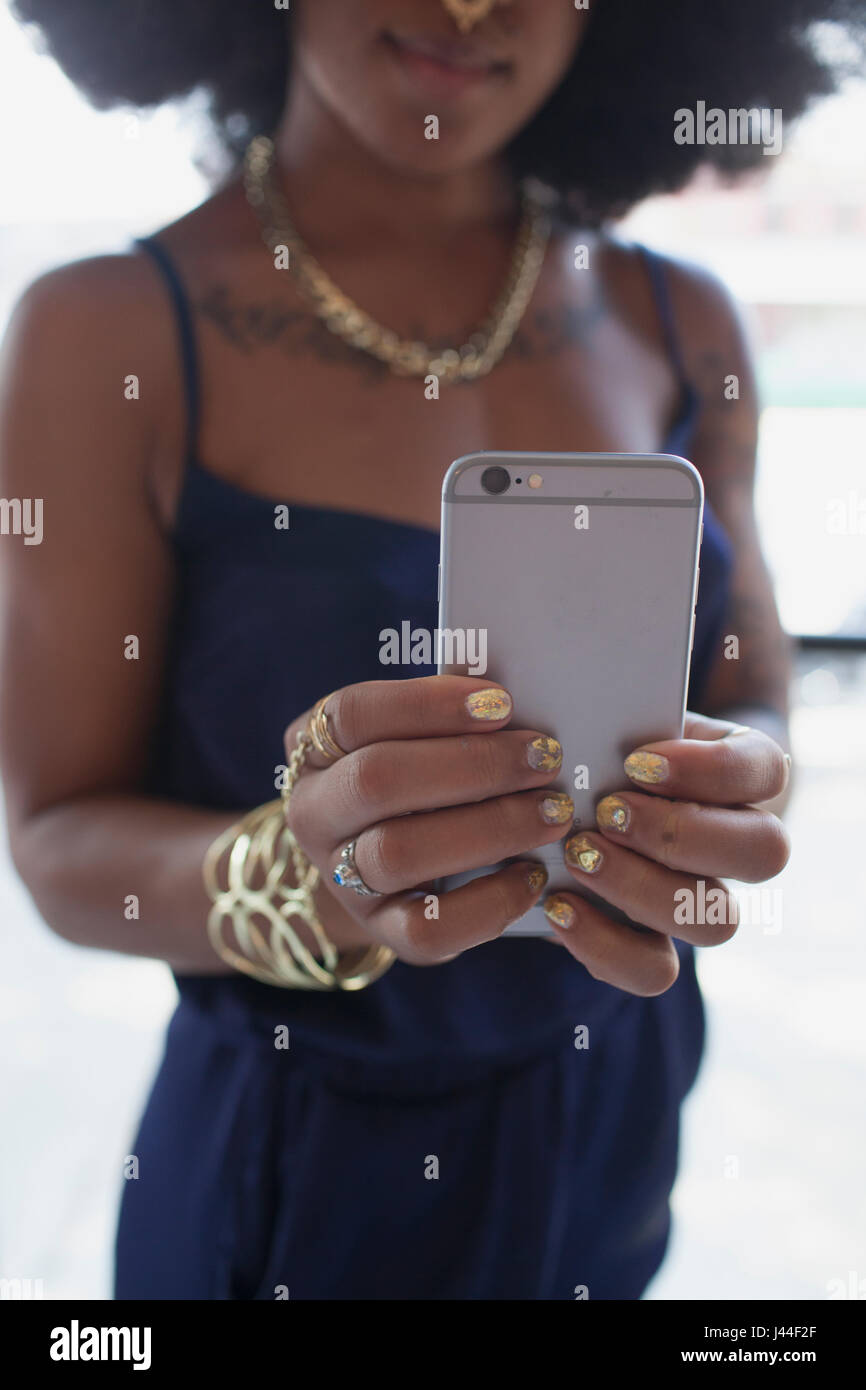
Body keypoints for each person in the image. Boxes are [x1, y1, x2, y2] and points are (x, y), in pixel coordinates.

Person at [2, 0, 858, 1300]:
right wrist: (311, 882)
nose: (468, 5)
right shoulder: (103, 332)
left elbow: (746, 693)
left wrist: (730, 789)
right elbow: (59, 842)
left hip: (614, 1113)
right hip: (296, 1166)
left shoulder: (683, 322)